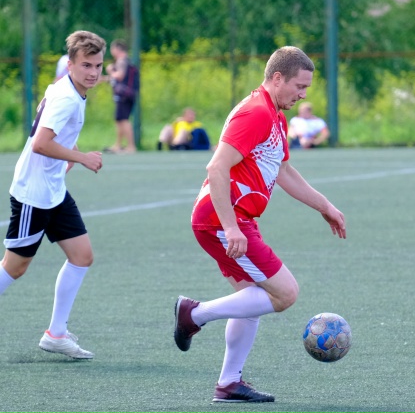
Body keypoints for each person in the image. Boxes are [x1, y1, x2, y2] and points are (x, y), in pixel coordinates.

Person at [174, 46, 347, 403]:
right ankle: (194, 314)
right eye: (300, 86)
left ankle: (228, 383)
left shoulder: (274, 115)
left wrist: (325, 206)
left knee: (251, 298)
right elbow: (216, 167)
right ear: (278, 78)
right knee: (285, 294)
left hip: (234, 219)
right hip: (222, 220)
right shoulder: (255, 112)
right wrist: (231, 228)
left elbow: (284, 171)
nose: (303, 95)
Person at [0, 30, 106, 359]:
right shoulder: (66, 98)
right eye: (86, 65)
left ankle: (56, 334)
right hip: (33, 195)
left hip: (53, 191)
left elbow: (53, 131)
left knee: (82, 256)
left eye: (98, 66)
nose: (93, 72)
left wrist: (68, 153)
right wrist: (81, 157)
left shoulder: (65, 87)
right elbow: (40, 143)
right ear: (70, 64)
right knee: (14, 268)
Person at [103, 39, 137, 154]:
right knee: (119, 119)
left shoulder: (121, 61)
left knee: (124, 119)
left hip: (123, 95)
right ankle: (118, 145)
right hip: (127, 93)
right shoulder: (128, 61)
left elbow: (120, 76)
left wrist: (110, 71)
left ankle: (131, 146)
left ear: (117, 49)